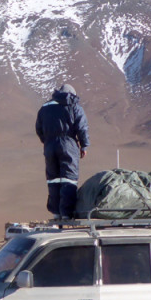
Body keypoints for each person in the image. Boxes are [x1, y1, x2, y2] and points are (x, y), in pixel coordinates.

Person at [35, 83, 90, 221]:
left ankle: (56, 213)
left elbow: (38, 128)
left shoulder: (44, 107)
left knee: (53, 180)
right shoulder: (73, 105)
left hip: (49, 146)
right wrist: (84, 146)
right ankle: (66, 213)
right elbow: (82, 127)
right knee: (69, 179)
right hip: (68, 145)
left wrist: (47, 141)